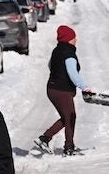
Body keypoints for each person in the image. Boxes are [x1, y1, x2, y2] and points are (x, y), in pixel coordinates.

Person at [35, 24, 91, 156]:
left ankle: (45, 138)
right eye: (73, 37)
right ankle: (69, 148)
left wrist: (57, 75)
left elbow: (50, 65)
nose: (76, 39)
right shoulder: (68, 53)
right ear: (69, 39)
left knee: (66, 117)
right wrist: (84, 87)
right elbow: (73, 74)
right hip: (62, 91)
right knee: (70, 118)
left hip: (52, 88)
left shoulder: (57, 50)